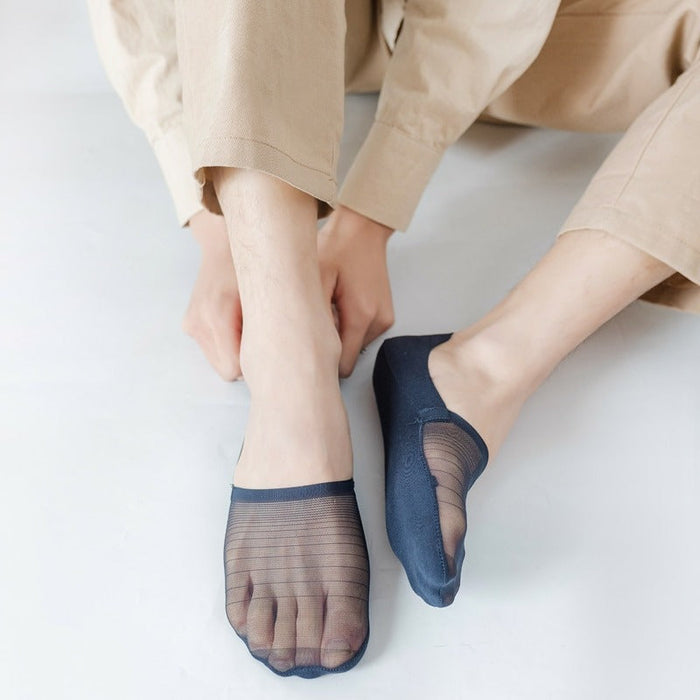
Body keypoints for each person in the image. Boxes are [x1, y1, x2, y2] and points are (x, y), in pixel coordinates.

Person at [87, 0, 700, 679]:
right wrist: (221, 227)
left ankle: (487, 366)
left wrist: (370, 215)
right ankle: (288, 360)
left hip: (542, 35)